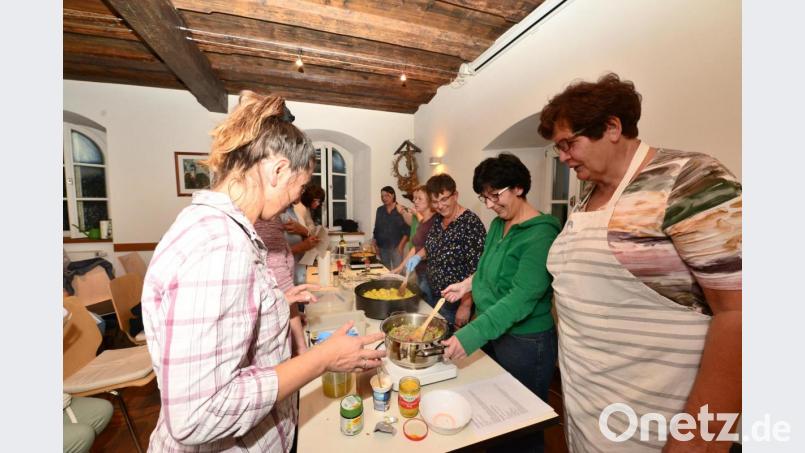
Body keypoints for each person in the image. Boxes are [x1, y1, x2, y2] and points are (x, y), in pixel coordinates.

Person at [141, 91, 385, 452]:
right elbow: (197, 413)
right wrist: (324, 358)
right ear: (277, 170)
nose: (294, 198)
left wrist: (275, 300)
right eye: (299, 187)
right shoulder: (220, 245)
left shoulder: (219, 230)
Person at [539, 73, 741, 452]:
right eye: (558, 148)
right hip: (590, 411)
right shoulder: (587, 197)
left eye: (569, 143)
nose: (563, 157)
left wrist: (697, 441)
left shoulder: (688, 179)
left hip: (654, 425)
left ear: (612, 127)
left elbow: (741, 314)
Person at [439, 154, 560, 453]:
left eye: (495, 195)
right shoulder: (497, 225)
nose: (490, 204)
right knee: (494, 412)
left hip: (526, 342)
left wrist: (469, 336)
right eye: (484, 197)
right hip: (494, 331)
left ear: (518, 187)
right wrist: (468, 284)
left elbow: (520, 299)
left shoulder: (541, 234)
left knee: (522, 424)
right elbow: (487, 268)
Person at [406, 174, 486, 330]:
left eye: (444, 199)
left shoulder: (471, 224)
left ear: (455, 195)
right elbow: (431, 247)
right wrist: (417, 256)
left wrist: (466, 305)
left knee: (448, 341)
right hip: (434, 292)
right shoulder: (438, 219)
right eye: (435, 202)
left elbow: (477, 269)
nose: (440, 206)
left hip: (455, 300)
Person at [254, 217, 307, 356]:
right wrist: (301, 348)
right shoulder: (267, 221)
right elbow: (283, 286)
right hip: (269, 341)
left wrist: (291, 313)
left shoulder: (274, 218)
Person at [392, 185, 438, 306]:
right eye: (414, 198)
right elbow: (415, 248)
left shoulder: (435, 221)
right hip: (421, 273)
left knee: (428, 307)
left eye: (419, 198)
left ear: (430, 201)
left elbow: (430, 249)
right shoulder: (423, 221)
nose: (415, 201)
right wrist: (400, 267)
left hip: (430, 276)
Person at [371, 186, 409, 270]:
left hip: (396, 247)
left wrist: (401, 246)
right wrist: (374, 242)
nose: (384, 198)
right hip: (382, 247)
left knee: (398, 271)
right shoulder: (380, 210)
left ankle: (399, 283)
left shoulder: (401, 209)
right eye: (382, 196)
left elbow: (407, 230)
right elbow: (377, 228)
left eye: (386, 195)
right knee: (385, 270)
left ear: (393, 195)